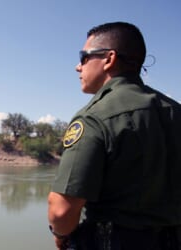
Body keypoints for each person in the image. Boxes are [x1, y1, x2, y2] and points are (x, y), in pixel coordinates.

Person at [47, 21, 181, 250]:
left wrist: (60, 235)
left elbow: (61, 211)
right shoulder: (175, 111)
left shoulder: (95, 117)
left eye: (84, 57)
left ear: (109, 59)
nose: (78, 67)